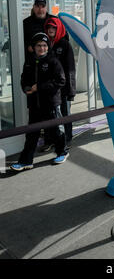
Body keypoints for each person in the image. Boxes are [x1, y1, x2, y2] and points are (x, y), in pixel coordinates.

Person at [11, 33, 68, 171]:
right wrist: (26, 88)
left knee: (56, 131)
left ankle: (62, 152)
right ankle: (26, 161)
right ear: (34, 47)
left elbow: (61, 81)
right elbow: (24, 79)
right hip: (34, 104)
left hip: (51, 103)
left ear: (48, 47)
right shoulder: (29, 61)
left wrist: (40, 87)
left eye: (44, 45)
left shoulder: (53, 61)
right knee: (32, 134)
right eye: (38, 45)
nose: (41, 48)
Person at [44, 16, 76, 148]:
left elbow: (70, 69)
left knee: (64, 114)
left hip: (63, 88)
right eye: (49, 27)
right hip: (50, 88)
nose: (51, 29)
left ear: (59, 28)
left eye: (54, 27)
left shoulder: (65, 45)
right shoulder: (45, 44)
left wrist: (71, 90)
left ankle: (67, 138)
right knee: (50, 115)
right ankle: (51, 140)